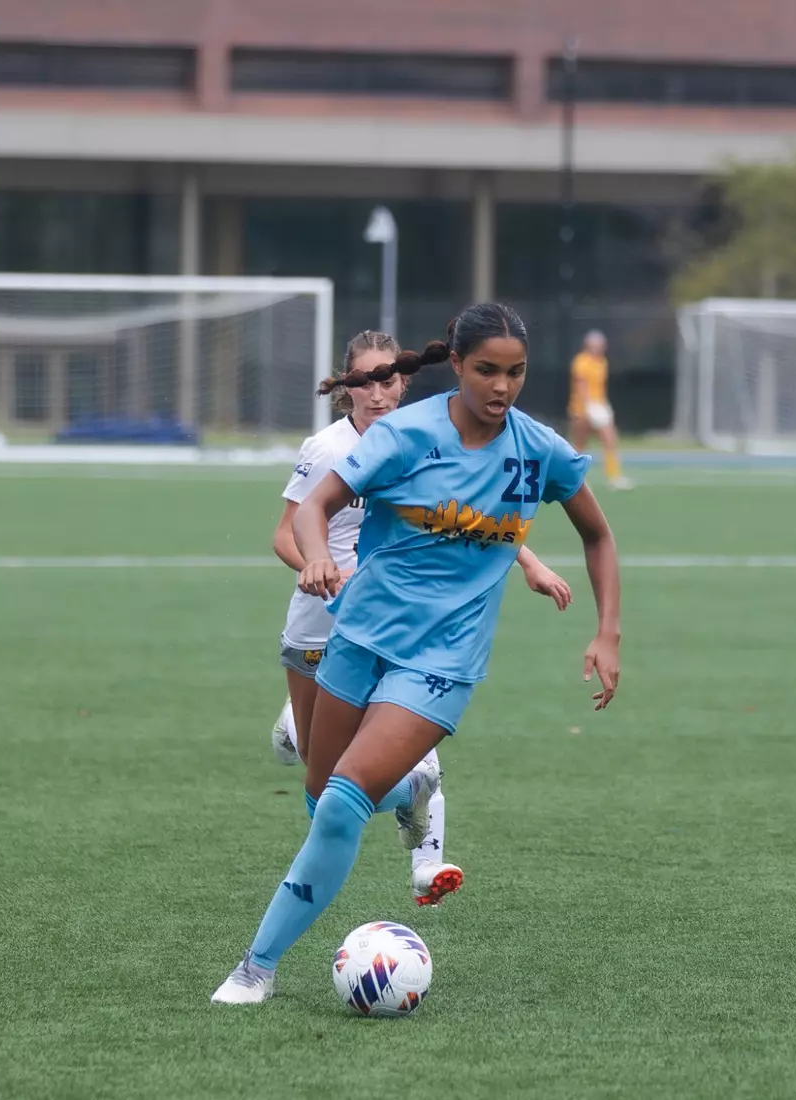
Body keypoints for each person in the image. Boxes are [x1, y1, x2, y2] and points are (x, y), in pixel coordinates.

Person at [212, 301, 622, 1006]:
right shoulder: (405, 435)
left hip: (442, 662)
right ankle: (410, 792)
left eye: (516, 373)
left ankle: (256, 967)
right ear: (456, 366)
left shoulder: (538, 450)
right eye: (487, 370)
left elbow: (597, 535)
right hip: (360, 638)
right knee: (320, 802)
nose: (502, 386)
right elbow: (313, 508)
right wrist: (313, 557)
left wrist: (607, 630)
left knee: (340, 805)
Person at [267, 329, 573, 908]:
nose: (379, 393)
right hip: (319, 626)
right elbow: (287, 533)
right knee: (320, 774)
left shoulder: (417, 441)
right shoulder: (328, 450)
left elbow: (467, 523)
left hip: (393, 620)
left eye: (389, 378)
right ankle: (295, 729)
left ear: (404, 379)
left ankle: (426, 862)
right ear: (347, 389)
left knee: (411, 739)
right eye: (366, 381)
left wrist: (528, 560)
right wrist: (321, 565)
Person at [568, 329, 632, 490]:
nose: (599, 347)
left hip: (599, 405)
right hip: (581, 408)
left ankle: (614, 476)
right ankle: (573, 477)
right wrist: (588, 408)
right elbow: (581, 386)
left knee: (610, 439)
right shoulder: (581, 361)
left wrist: (603, 406)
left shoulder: (602, 362)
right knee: (579, 444)